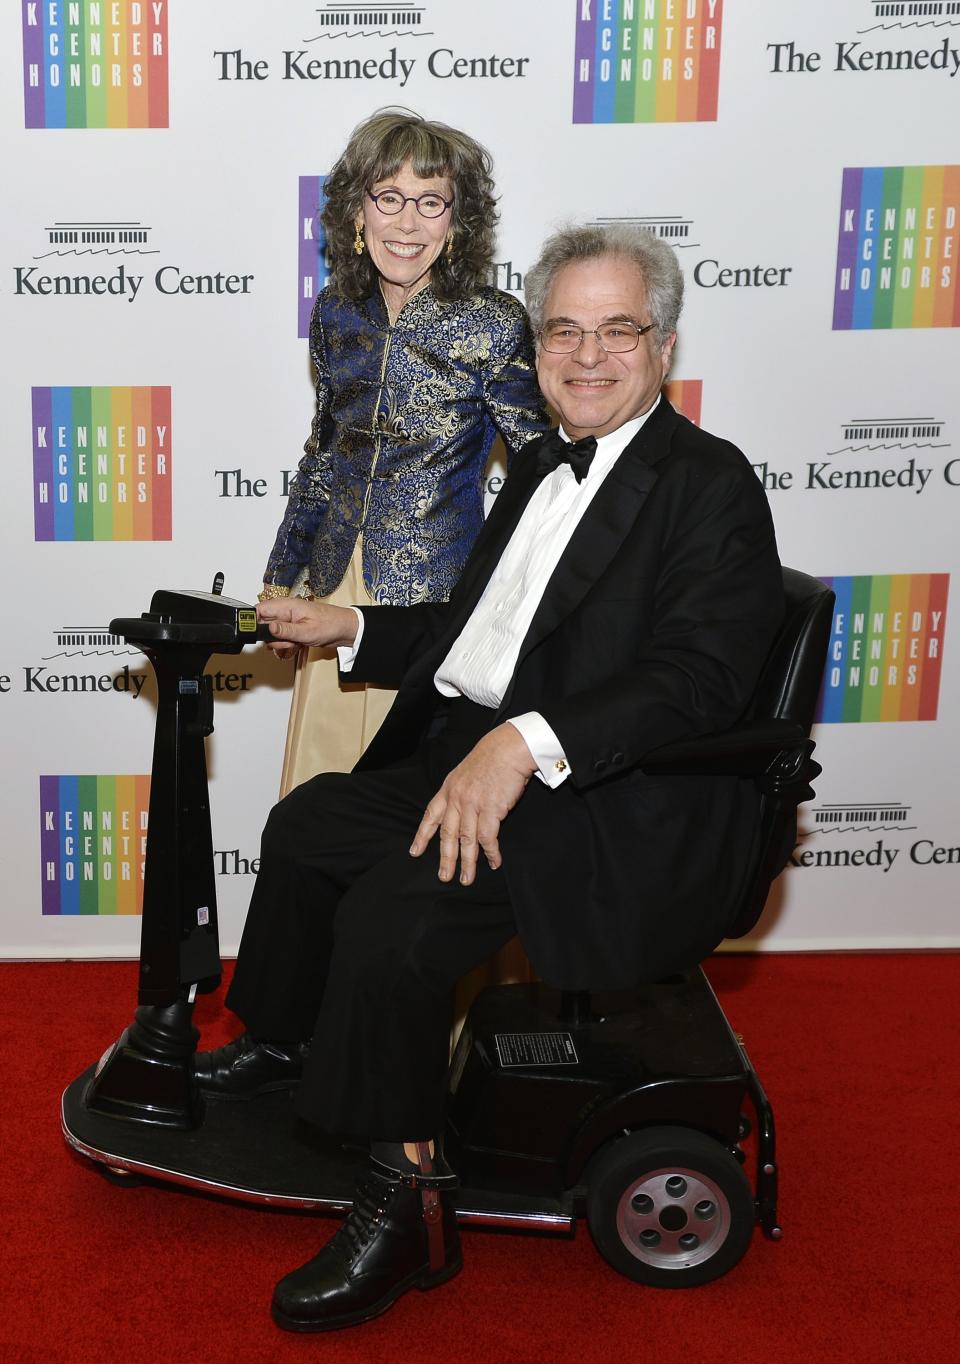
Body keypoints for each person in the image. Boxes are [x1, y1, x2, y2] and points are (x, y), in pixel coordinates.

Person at [197, 223, 784, 1332]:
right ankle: (286, 1038)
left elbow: (698, 682)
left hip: (610, 802)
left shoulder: (708, 485)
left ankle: (407, 1204)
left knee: (394, 918)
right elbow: (480, 636)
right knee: (313, 821)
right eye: (564, 327)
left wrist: (521, 744)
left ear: (662, 345)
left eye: (618, 328)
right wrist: (352, 623)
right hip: (496, 754)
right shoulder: (542, 466)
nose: (588, 352)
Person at [261, 109, 549, 790]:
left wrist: (511, 598)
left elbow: (540, 474)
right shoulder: (336, 311)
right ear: (356, 213)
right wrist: (282, 574)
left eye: (431, 203)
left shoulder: (493, 321)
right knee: (318, 793)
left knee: (403, 800)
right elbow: (324, 453)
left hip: (432, 607)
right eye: (389, 199)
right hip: (335, 578)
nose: (408, 223)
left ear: (458, 222)